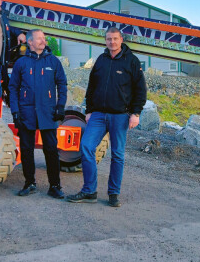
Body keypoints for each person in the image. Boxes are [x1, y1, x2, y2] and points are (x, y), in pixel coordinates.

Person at [67, 26, 146, 208]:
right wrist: (88, 110)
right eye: (109, 39)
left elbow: (140, 90)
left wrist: (136, 113)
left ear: (121, 40)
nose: (112, 42)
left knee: (117, 155)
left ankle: (113, 194)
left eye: (115, 39)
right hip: (99, 115)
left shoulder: (131, 61)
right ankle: (89, 191)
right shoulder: (101, 60)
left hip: (121, 116)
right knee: (86, 146)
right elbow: (92, 86)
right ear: (105, 41)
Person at [8, 29, 68, 198]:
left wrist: (60, 106)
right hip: (26, 112)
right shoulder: (21, 63)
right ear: (30, 42)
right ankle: (29, 183)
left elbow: (62, 84)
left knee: (51, 149)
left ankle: (55, 186)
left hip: (48, 112)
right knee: (26, 149)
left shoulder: (53, 61)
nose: (43, 41)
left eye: (44, 38)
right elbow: (13, 88)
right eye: (39, 39)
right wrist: (15, 111)